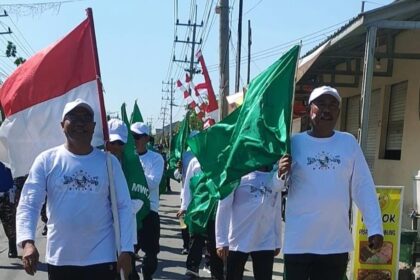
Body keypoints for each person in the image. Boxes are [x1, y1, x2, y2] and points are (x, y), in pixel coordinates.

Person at [16, 99, 134, 280]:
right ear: (62, 125)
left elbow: (124, 206)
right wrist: (28, 242)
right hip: (61, 259)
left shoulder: (109, 162)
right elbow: (29, 204)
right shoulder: (47, 160)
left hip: (102, 258)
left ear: (94, 126)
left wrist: (126, 249)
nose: (80, 122)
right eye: (73, 117)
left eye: (86, 118)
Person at [278, 86, 384, 280]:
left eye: (333, 105)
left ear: (339, 112)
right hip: (299, 243)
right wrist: (279, 174)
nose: (327, 110)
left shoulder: (348, 143)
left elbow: (363, 186)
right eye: (321, 104)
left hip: (335, 244)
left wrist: (375, 227)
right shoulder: (293, 143)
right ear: (310, 109)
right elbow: (277, 187)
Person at [215, 166, 282, 280]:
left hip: (265, 240)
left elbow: (276, 209)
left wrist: (277, 241)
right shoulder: (236, 175)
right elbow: (224, 207)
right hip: (238, 241)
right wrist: (221, 241)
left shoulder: (274, 177)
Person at [177, 156, 224, 280]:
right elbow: (187, 185)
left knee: (214, 245)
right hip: (198, 209)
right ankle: (192, 270)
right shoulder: (195, 161)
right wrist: (184, 206)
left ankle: (217, 273)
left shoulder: (223, 156)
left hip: (215, 211)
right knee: (196, 241)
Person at [107, 118, 141, 280]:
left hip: (125, 232)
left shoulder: (132, 165)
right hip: (104, 233)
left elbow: (140, 197)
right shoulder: (98, 162)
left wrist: (123, 207)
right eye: (112, 142)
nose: (115, 146)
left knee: (128, 273)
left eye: (119, 143)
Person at [130, 122, 164, 280]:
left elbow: (153, 183)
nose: (133, 140)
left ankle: (147, 273)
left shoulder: (156, 158)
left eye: (136, 137)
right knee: (127, 252)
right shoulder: (127, 156)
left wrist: (134, 172)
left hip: (149, 210)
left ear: (145, 138)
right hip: (130, 212)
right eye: (131, 136)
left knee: (151, 257)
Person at [0, 161, 18, 258]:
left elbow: (16, 175)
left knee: (9, 224)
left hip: (5, 196)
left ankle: (12, 246)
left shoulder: (6, 164)